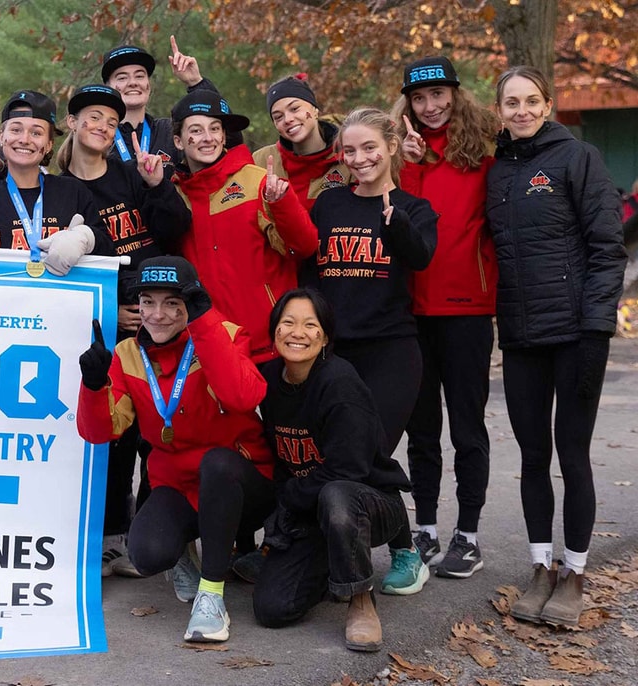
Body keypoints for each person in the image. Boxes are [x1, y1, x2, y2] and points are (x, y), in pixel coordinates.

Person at [486, 66, 626, 629]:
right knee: (532, 457)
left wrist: (596, 328)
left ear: (547, 104)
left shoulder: (578, 158)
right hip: (521, 337)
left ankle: (574, 575)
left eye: (530, 101)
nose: (520, 110)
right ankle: (540, 566)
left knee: (572, 454)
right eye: (510, 102)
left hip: (575, 336)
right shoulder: (496, 171)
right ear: (498, 111)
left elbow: (607, 245)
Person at [77, 257, 272, 643]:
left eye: (172, 304)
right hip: (178, 483)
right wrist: (94, 384)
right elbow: (101, 432)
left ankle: (212, 596)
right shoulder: (128, 353)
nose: (158, 315)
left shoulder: (227, 334)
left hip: (240, 482)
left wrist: (204, 326)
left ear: (191, 305)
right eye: (148, 302)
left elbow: (243, 395)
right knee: (147, 553)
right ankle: (184, 552)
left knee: (217, 464)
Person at [57, 84, 191, 577]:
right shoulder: (58, 189)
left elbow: (174, 231)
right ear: (72, 123)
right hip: (106, 322)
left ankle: (150, 532)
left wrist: (158, 186)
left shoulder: (132, 176)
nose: (102, 127)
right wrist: (113, 311)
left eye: (112, 123)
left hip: (155, 316)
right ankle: (109, 533)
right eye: (92, 117)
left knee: (156, 425)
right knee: (109, 431)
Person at [302, 107, 436, 596]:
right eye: (350, 150)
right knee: (340, 454)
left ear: (392, 147)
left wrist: (395, 221)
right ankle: (330, 550)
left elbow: (421, 256)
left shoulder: (414, 208)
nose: (359, 158)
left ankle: (405, 551)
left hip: (391, 352)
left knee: (368, 451)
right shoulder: (330, 205)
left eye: (369, 148)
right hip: (335, 354)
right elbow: (310, 273)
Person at [252, 288, 413, 653]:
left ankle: (360, 598)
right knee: (272, 608)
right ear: (274, 330)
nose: (298, 332)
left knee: (336, 494)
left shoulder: (339, 382)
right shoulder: (270, 380)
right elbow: (277, 458)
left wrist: (288, 498)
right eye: (288, 322)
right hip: (312, 509)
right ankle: (330, 567)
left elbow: (349, 470)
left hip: (367, 503)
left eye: (311, 325)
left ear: (324, 336)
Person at [390, 56, 500, 578]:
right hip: (413, 310)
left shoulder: (484, 151)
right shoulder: (401, 157)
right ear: (407, 103)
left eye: (439, 95)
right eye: (419, 98)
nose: (430, 107)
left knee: (467, 425)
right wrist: (405, 161)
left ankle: (470, 533)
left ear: (455, 94)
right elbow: (400, 223)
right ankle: (427, 526)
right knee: (422, 428)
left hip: (467, 310)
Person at [171, 89, 317, 362]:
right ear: (179, 141)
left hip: (271, 346)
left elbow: (304, 247)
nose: (208, 138)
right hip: (212, 350)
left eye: (215, 129)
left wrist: (282, 203)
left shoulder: (258, 181)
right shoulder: (174, 195)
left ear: (224, 136)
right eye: (196, 130)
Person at [0, 90, 114, 275]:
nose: (24, 139)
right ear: (2, 137)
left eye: (36, 133)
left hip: (63, 301)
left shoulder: (73, 192)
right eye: (15, 130)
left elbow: (108, 250)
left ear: (49, 145)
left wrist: (86, 237)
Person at [102, 37, 219, 174]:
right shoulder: (98, 135)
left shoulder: (170, 131)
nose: (133, 82)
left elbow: (226, 139)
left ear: (148, 85)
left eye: (140, 76)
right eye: (122, 78)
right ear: (108, 87)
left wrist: (196, 83)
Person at [253, 73, 350, 212]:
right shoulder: (261, 161)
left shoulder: (349, 154)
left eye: (294, 109)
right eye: (278, 117)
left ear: (315, 110)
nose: (287, 119)